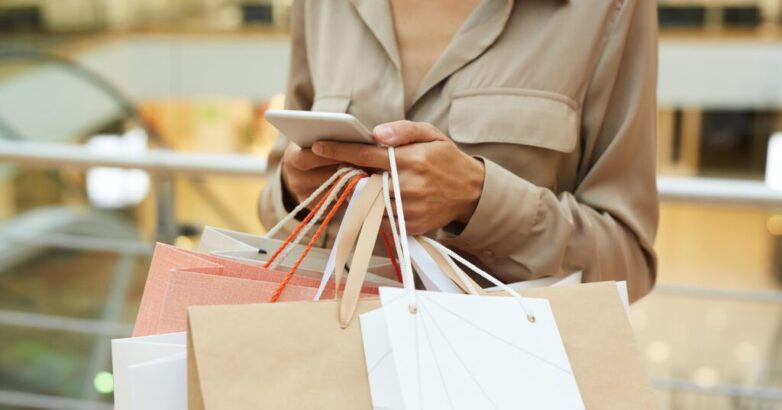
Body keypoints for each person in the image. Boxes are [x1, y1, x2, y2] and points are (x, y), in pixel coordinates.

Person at [259, 0, 658, 302]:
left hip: (506, 378)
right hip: (335, 363)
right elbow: (274, 201)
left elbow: (630, 265)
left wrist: (479, 202)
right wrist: (300, 191)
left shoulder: (607, 9)